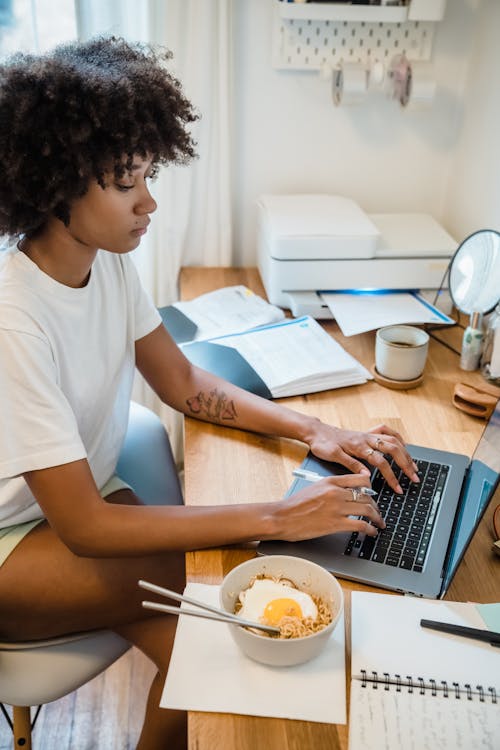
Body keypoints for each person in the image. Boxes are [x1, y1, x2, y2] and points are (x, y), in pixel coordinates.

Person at [0, 37, 419, 749]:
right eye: (126, 183)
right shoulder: (14, 318)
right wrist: (280, 515)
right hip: (19, 546)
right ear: (58, 186)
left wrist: (315, 431)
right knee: (228, 582)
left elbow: (184, 382)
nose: (149, 202)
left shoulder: (104, 266)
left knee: (211, 658)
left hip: (84, 501)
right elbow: (87, 530)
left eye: (147, 176)